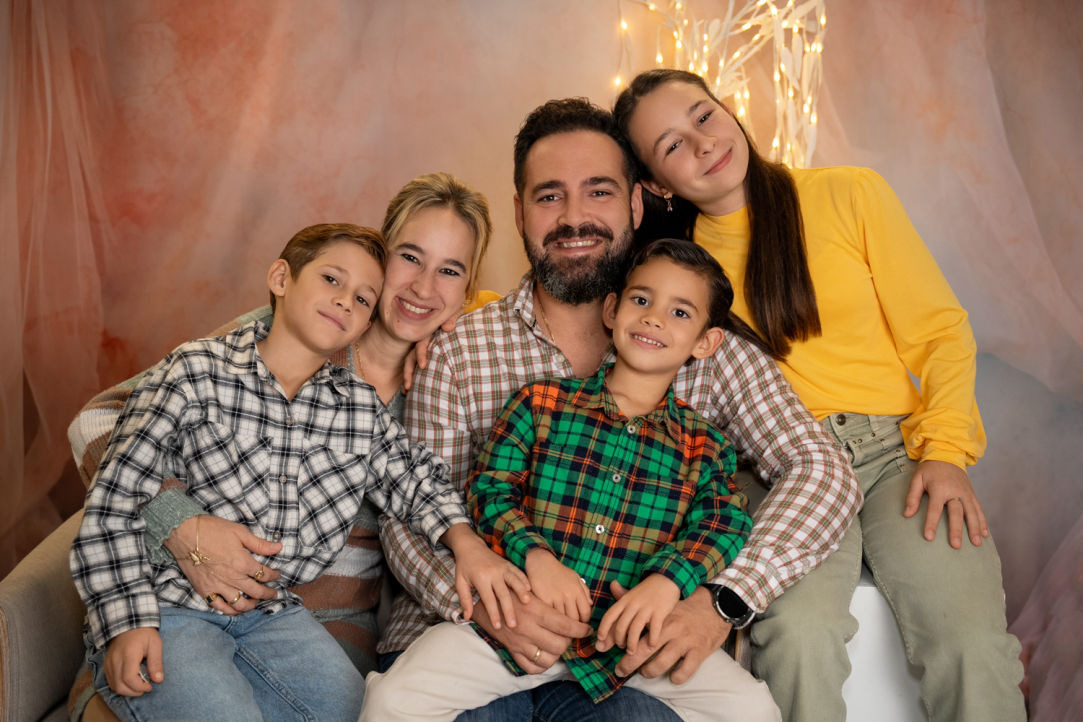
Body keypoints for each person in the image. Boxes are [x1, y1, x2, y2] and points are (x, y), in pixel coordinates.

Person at [380, 97, 860, 720]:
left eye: (599, 192)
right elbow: (413, 508)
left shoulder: (705, 351)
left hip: (627, 649)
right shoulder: (460, 349)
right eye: (550, 196)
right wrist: (490, 603)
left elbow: (820, 472)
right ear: (520, 212)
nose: (574, 217)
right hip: (472, 630)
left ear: (636, 203)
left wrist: (718, 600)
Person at [613, 68, 1026, 721]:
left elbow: (940, 333)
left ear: (726, 109)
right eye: (671, 146)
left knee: (968, 640)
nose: (702, 143)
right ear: (657, 183)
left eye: (703, 116)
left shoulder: (847, 193)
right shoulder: (677, 267)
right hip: (775, 473)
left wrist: (945, 451)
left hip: (895, 455)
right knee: (797, 636)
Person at [69, 223, 526, 721]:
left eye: (363, 299)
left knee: (363, 712)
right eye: (331, 280)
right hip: (170, 602)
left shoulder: (357, 409)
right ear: (281, 278)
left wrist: (465, 541)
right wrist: (127, 621)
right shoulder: (196, 370)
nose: (345, 301)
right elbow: (114, 497)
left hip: (273, 615)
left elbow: (416, 480)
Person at [361, 239, 780, 721]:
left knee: (754, 710)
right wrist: (535, 556)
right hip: (514, 627)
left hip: (628, 645)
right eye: (641, 300)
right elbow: (490, 490)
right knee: (392, 700)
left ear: (706, 343)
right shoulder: (541, 403)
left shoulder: (705, 446)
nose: (654, 318)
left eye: (680, 312)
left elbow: (723, 524)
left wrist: (667, 582)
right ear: (612, 310)